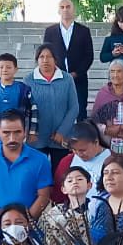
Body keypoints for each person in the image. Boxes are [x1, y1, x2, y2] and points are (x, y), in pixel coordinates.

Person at [0, 112, 52, 245]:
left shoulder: (40, 160)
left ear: (25, 132)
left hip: (31, 230)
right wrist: (6, 223)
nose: (12, 138)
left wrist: (24, 223)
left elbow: (44, 196)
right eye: (6, 133)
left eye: (17, 132)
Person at [25, 45, 78, 174]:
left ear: (55, 59)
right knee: (36, 175)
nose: (45, 60)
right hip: (36, 138)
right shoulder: (28, 80)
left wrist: (62, 132)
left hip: (61, 139)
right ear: (37, 60)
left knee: (61, 175)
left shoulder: (67, 79)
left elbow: (74, 107)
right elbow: (25, 109)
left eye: (49, 56)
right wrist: (30, 132)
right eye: (41, 57)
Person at [43, 0, 95, 102]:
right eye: (62, 7)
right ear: (58, 11)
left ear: (73, 10)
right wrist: (55, 71)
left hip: (79, 79)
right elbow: (46, 54)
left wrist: (76, 73)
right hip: (56, 78)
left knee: (80, 111)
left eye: (68, 7)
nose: (65, 9)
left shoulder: (84, 31)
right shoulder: (50, 31)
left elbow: (89, 55)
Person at [0, 53, 35, 141]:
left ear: (16, 69)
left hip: (17, 133)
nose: (4, 70)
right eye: (1, 67)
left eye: (8, 67)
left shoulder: (24, 89)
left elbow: (33, 110)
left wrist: (32, 131)